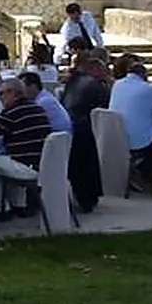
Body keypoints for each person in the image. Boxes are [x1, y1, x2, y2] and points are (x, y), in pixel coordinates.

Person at [0, 78, 52, 217]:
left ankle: (0, 208)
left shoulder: (11, 112)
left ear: (12, 93)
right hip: (45, 166)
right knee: (5, 160)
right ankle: (18, 205)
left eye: (2, 93)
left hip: (28, 168)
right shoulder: (37, 108)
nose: (0, 98)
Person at [109, 59, 152, 187]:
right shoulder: (150, 89)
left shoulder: (117, 85)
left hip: (117, 135)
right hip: (139, 141)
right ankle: (143, 171)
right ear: (144, 75)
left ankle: (138, 171)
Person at [60, 55, 109, 212]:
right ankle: (88, 197)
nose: (106, 73)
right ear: (94, 69)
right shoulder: (94, 85)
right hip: (83, 130)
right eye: (103, 70)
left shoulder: (73, 82)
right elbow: (107, 105)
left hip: (70, 125)